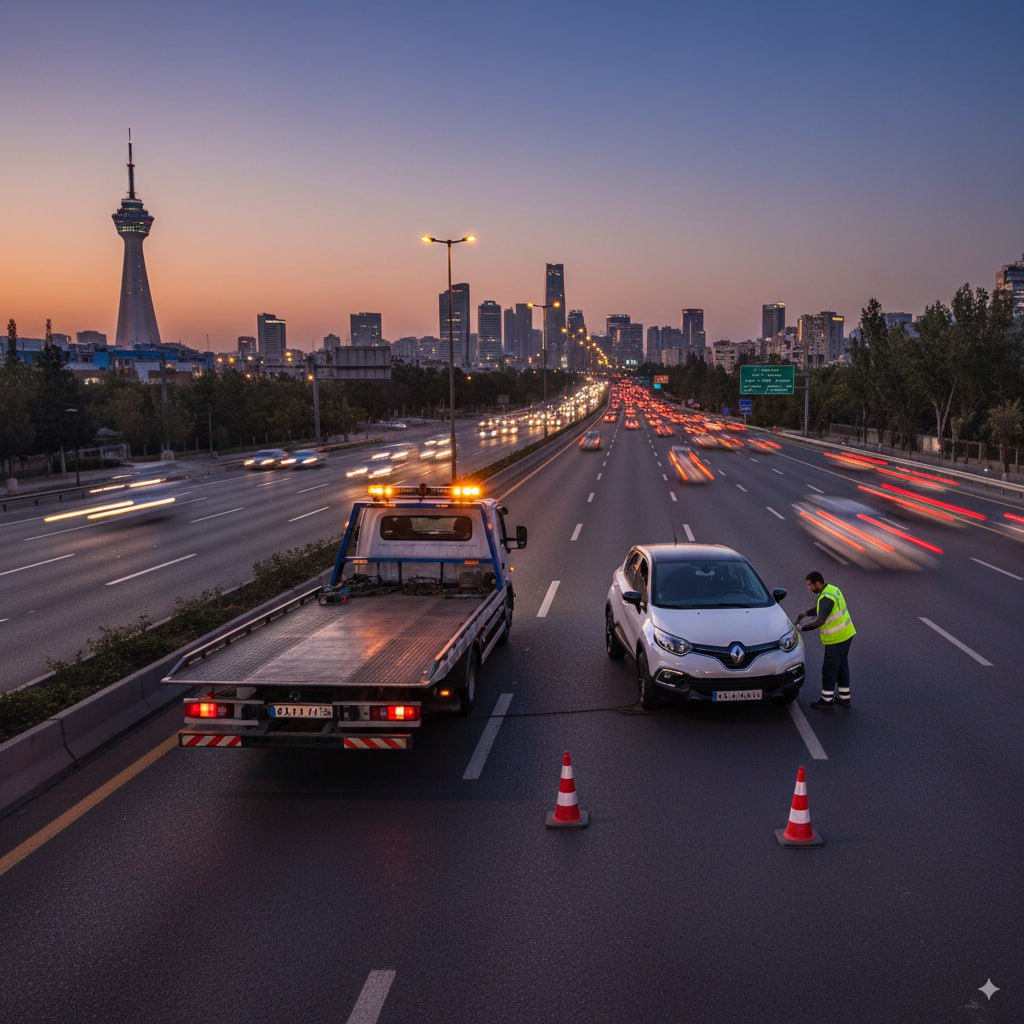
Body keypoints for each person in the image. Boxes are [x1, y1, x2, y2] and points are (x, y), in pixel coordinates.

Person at [796, 571, 856, 709]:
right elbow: (821, 609)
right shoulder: (832, 590)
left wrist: (802, 628)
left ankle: (826, 700)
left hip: (836, 639)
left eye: (810, 585)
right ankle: (844, 697)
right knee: (842, 666)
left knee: (829, 669)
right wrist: (805, 613)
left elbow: (820, 620)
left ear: (818, 583)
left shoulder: (826, 598)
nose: (809, 588)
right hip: (847, 634)